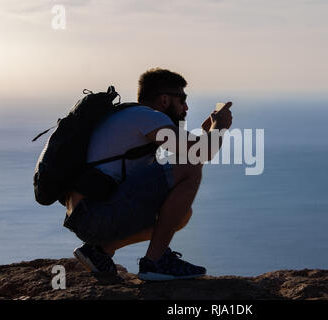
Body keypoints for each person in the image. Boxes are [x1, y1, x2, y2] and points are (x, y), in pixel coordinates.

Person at [63, 68, 233, 280]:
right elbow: (200, 154)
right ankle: (155, 262)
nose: (186, 107)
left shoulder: (129, 116)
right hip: (94, 215)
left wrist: (208, 133)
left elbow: (194, 149)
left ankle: (99, 251)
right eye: (182, 100)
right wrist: (221, 126)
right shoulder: (146, 117)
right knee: (190, 166)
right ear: (164, 100)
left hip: (87, 215)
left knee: (181, 214)